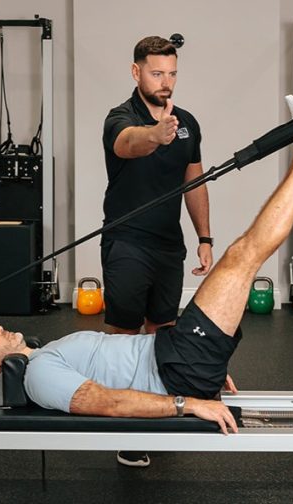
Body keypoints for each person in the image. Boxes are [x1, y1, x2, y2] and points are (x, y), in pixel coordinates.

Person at [0, 92, 293, 447]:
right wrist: (188, 402)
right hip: (178, 369)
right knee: (243, 256)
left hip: (175, 354)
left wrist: (201, 364)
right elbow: (108, 403)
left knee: (242, 255)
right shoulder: (40, 377)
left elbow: (125, 358)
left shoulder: (42, 357)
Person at [100, 35, 213, 338]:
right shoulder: (120, 117)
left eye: (172, 74)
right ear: (136, 72)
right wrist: (156, 135)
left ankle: (155, 388)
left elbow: (195, 182)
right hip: (126, 243)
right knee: (123, 333)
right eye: (157, 74)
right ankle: (118, 388)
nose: (166, 82)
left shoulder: (187, 122)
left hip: (169, 246)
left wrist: (205, 238)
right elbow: (127, 144)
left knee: (163, 330)